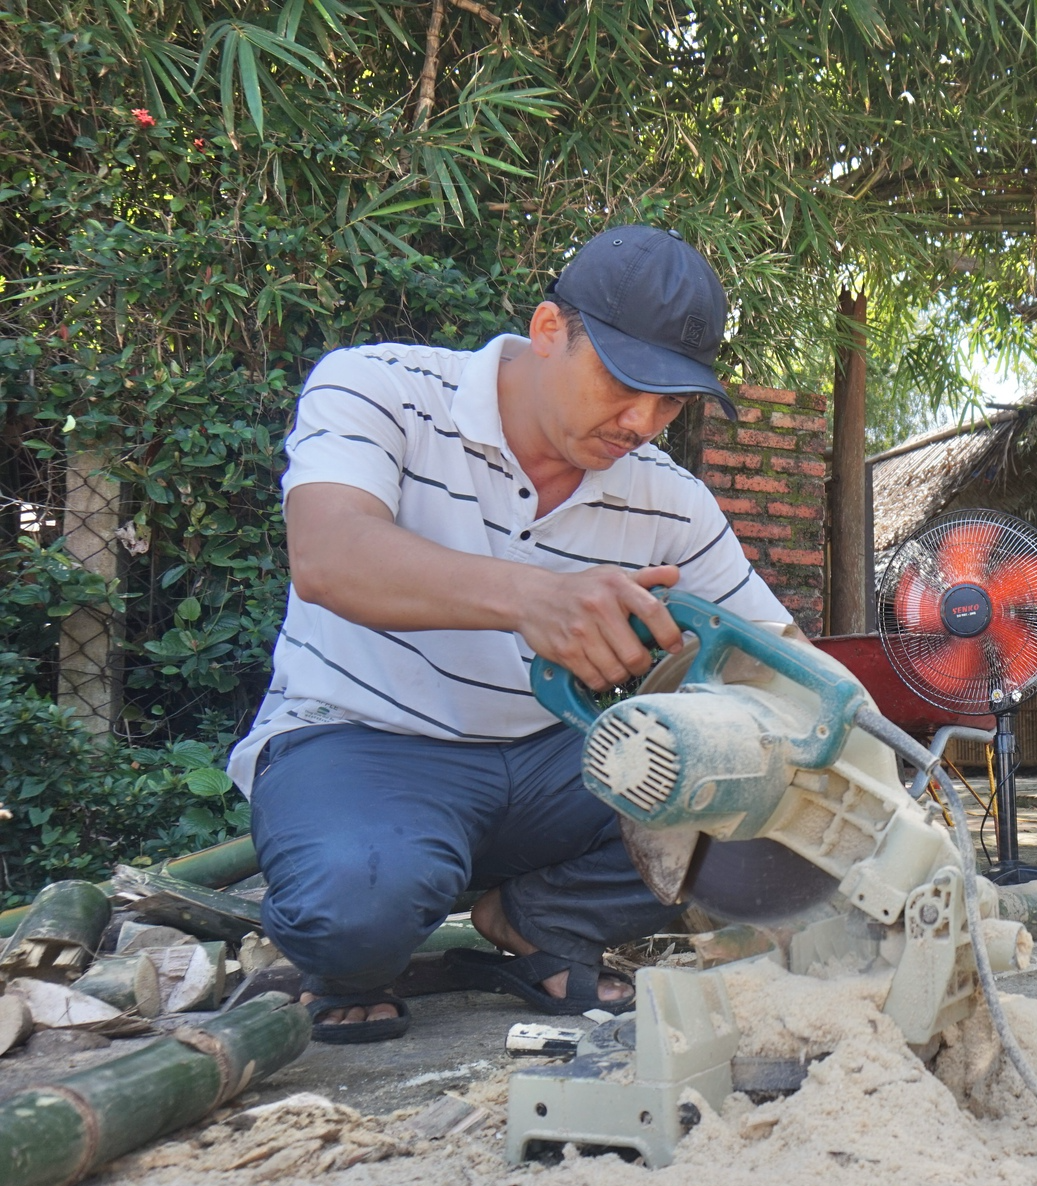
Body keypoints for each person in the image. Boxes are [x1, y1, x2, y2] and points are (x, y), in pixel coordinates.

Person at [228, 225, 791, 1043]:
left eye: (672, 400)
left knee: (770, 796)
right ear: (548, 331)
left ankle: (537, 914)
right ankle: (357, 952)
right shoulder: (379, 387)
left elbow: (778, 655)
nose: (643, 419)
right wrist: (535, 599)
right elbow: (328, 554)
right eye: (625, 381)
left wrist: (855, 753)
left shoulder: (671, 498)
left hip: (555, 764)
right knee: (356, 906)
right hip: (364, 743)